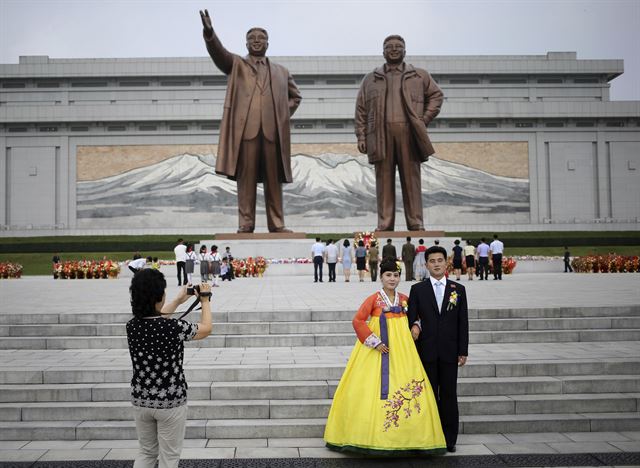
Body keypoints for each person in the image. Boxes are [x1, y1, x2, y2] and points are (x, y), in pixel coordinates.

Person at [324, 257, 446, 456]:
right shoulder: (374, 299)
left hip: (404, 351)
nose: (392, 279)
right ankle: (369, 437)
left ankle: (409, 437)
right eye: (388, 275)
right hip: (379, 350)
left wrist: (416, 325)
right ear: (381, 277)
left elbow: (420, 316)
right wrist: (375, 342)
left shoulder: (406, 299)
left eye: (396, 275)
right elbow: (358, 321)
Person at [200, 10, 302, 233]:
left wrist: (282, 115)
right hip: (246, 133)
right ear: (246, 43)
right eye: (252, 39)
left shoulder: (281, 72)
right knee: (245, 182)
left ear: (268, 43)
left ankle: (277, 224)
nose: (256, 42)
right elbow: (220, 55)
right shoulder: (237, 65)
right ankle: (245, 224)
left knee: (274, 182)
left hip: (272, 134)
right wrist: (210, 34)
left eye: (261, 38)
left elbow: (296, 97)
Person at [355, 35, 443, 231]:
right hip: (380, 135)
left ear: (405, 51)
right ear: (383, 52)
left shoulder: (419, 75)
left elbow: (436, 96)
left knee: (411, 180)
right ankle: (385, 223)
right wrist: (361, 136)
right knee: (383, 181)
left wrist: (423, 119)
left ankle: (416, 222)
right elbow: (361, 109)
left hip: (409, 135)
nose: (393, 49)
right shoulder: (371, 79)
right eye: (389, 47)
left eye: (398, 46)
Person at [126, 269, 212, 468]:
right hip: (170, 401)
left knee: (146, 452)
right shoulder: (174, 328)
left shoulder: (132, 327)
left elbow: (156, 318)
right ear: (159, 297)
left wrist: (179, 300)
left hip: (141, 399)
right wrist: (205, 300)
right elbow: (206, 328)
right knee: (169, 457)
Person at [408, 246, 469, 453]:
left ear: (446, 263)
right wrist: (416, 325)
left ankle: (449, 438)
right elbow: (412, 319)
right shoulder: (418, 290)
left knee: (449, 395)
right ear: (426, 265)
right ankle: (431, 436)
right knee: (429, 394)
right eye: (432, 261)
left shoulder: (458, 289)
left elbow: (463, 322)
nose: (436, 264)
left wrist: (463, 350)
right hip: (427, 351)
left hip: (450, 352)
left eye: (440, 260)